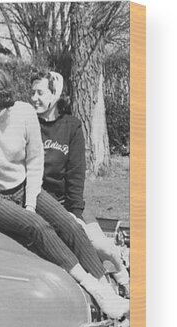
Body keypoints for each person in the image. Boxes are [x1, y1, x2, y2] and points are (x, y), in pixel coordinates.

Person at [0, 66, 128, 319]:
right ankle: (94, 289)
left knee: (71, 226)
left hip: (25, 186)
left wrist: (29, 203)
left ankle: (107, 292)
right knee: (38, 227)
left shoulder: (24, 114)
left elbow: (35, 162)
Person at [30, 70, 130, 297]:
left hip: (68, 203)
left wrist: (74, 212)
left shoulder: (71, 126)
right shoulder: (29, 124)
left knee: (100, 245)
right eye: (32, 92)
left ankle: (122, 271)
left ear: (55, 94)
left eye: (40, 92)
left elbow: (76, 173)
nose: (34, 97)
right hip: (41, 204)